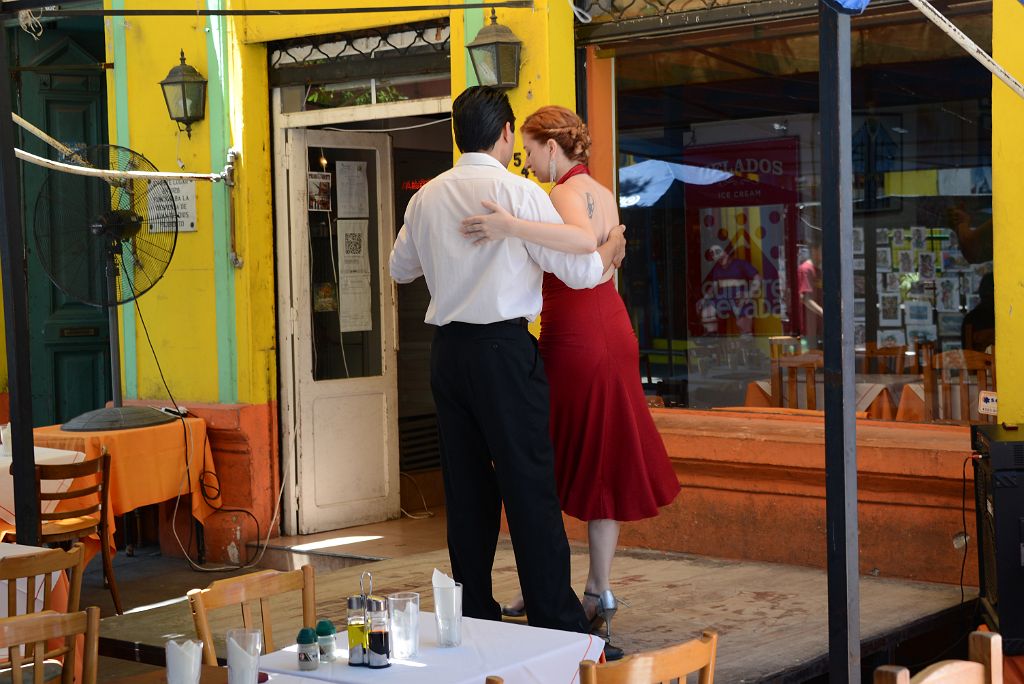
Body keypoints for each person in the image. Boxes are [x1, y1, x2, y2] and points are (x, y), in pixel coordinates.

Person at [388, 87, 626, 638]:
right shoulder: (517, 192)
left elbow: (400, 269)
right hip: (503, 351)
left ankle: (475, 619)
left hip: (449, 356)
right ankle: (557, 624)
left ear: (457, 134)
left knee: (466, 491)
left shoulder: (426, 198)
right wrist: (607, 253)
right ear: (502, 135)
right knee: (528, 488)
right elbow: (575, 271)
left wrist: (446, 255)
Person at [460, 105, 680, 653]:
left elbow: (579, 249)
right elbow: (603, 255)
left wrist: (510, 227)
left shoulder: (557, 195)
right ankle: (593, 590)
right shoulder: (602, 190)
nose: (527, 162)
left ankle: (553, 588)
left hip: (577, 336)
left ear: (552, 148)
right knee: (598, 460)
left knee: (545, 459)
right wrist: (610, 248)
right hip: (610, 328)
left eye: (532, 151)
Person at [796, 242, 823, 348]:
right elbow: (805, 298)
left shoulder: (819, 271)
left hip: (820, 328)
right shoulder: (805, 270)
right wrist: (823, 313)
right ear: (814, 250)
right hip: (809, 330)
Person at [961, 273, 995, 352]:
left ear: (980, 292)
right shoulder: (1006, 317)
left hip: (978, 363)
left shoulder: (970, 318)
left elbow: (967, 352)